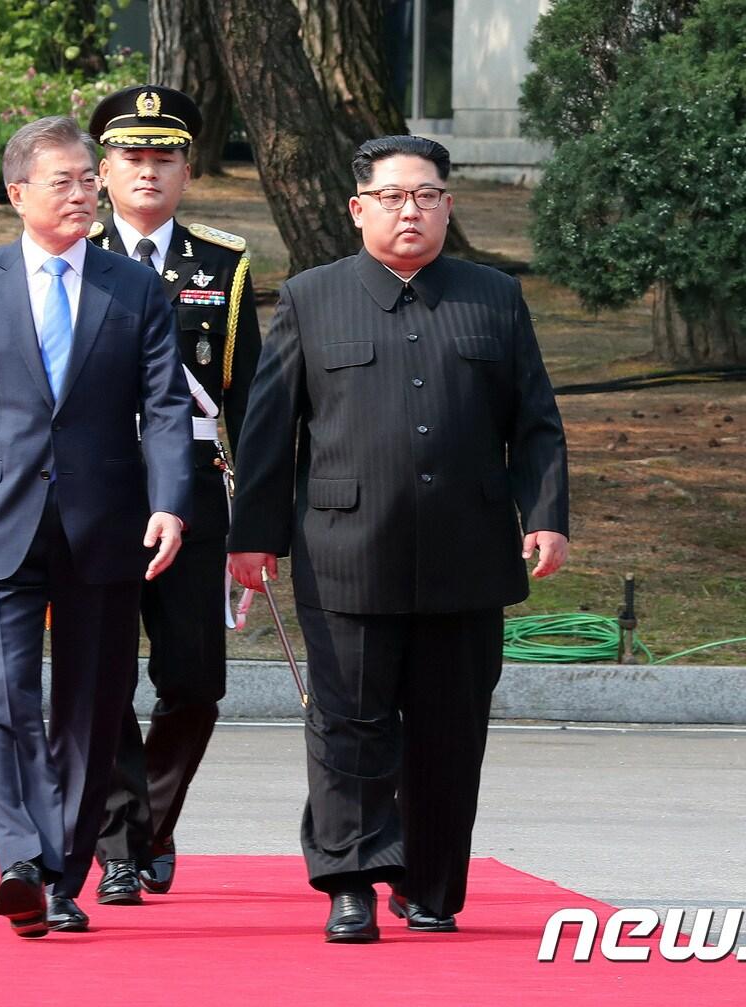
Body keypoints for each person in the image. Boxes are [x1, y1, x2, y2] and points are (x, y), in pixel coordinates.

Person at [227, 135, 570, 943]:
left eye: (425, 196)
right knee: (348, 723)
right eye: (391, 197)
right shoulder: (312, 297)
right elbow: (270, 431)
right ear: (359, 209)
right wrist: (253, 537)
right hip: (346, 551)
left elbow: (535, 420)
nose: (409, 210)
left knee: (451, 730)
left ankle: (431, 885)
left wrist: (546, 513)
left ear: (449, 205)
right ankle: (349, 880)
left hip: (467, 553)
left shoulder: (494, 297)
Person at [0, 115, 193, 939]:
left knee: (91, 710)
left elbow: (166, 407)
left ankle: (61, 874)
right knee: (5, 697)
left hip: (105, 526)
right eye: (62, 180)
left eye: (87, 179)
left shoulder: (134, 288)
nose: (81, 193)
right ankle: (21, 862)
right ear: (17, 193)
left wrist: (170, 500)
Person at [83, 84, 263, 904]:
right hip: (96, 486)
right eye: (131, 155)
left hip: (191, 488)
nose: (147, 170)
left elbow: (250, 401)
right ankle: (119, 843)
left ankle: (151, 818)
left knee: (195, 681)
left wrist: (258, 522)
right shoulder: (72, 254)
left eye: (164, 156)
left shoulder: (223, 264)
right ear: (103, 170)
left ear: (188, 171)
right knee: (103, 675)